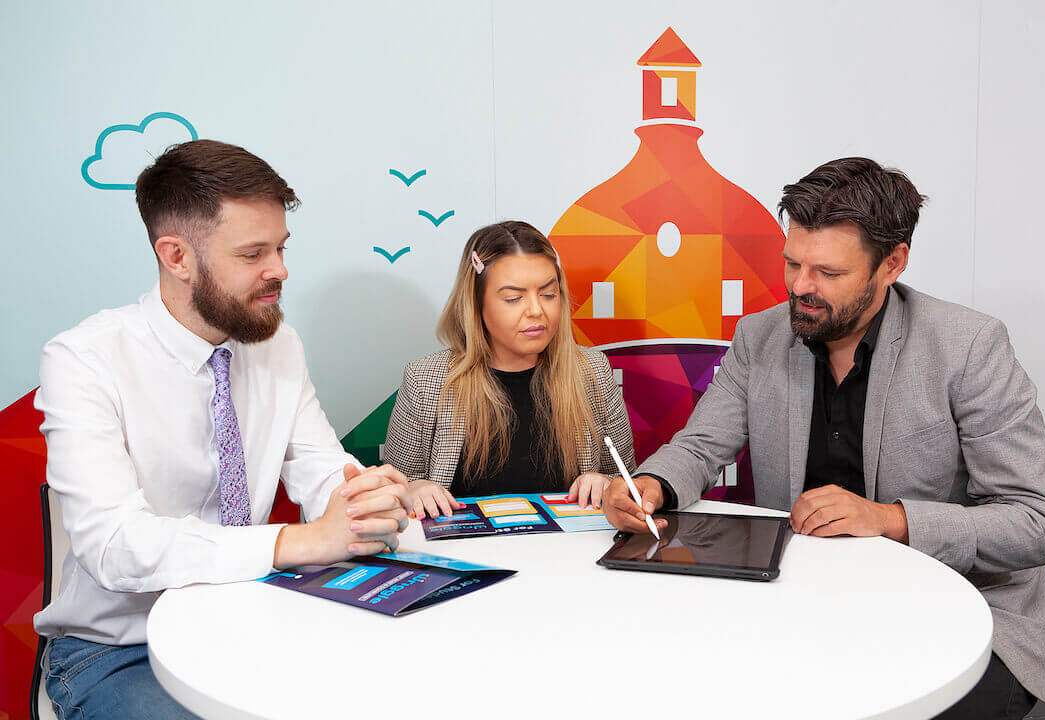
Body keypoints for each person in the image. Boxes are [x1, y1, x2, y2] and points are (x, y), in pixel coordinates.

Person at [602, 157, 1045, 718]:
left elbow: (1035, 521)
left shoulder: (969, 346)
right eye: (792, 263)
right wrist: (652, 484)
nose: (801, 287)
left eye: (828, 273)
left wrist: (889, 519)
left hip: (967, 609)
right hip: (803, 606)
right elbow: (700, 447)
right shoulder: (761, 336)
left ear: (892, 262)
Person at [34, 139, 411, 719]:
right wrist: (299, 541)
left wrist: (363, 498)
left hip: (259, 617)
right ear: (176, 256)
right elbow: (113, 546)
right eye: (253, 253)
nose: (280, 271)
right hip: (120, 648)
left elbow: (320, 470)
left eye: (281, 248)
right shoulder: (84, 360)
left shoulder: (275, 343)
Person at [384, 220, 634, 519]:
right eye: (514, 298)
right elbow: (392, 493)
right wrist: (414, 490)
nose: (536, 310)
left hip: (571, 558)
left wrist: (606, 484)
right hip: (469, 556)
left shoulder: (592, 371)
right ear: (476, 305)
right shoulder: (425, 380)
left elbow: (628, 482)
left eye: (548, 294)